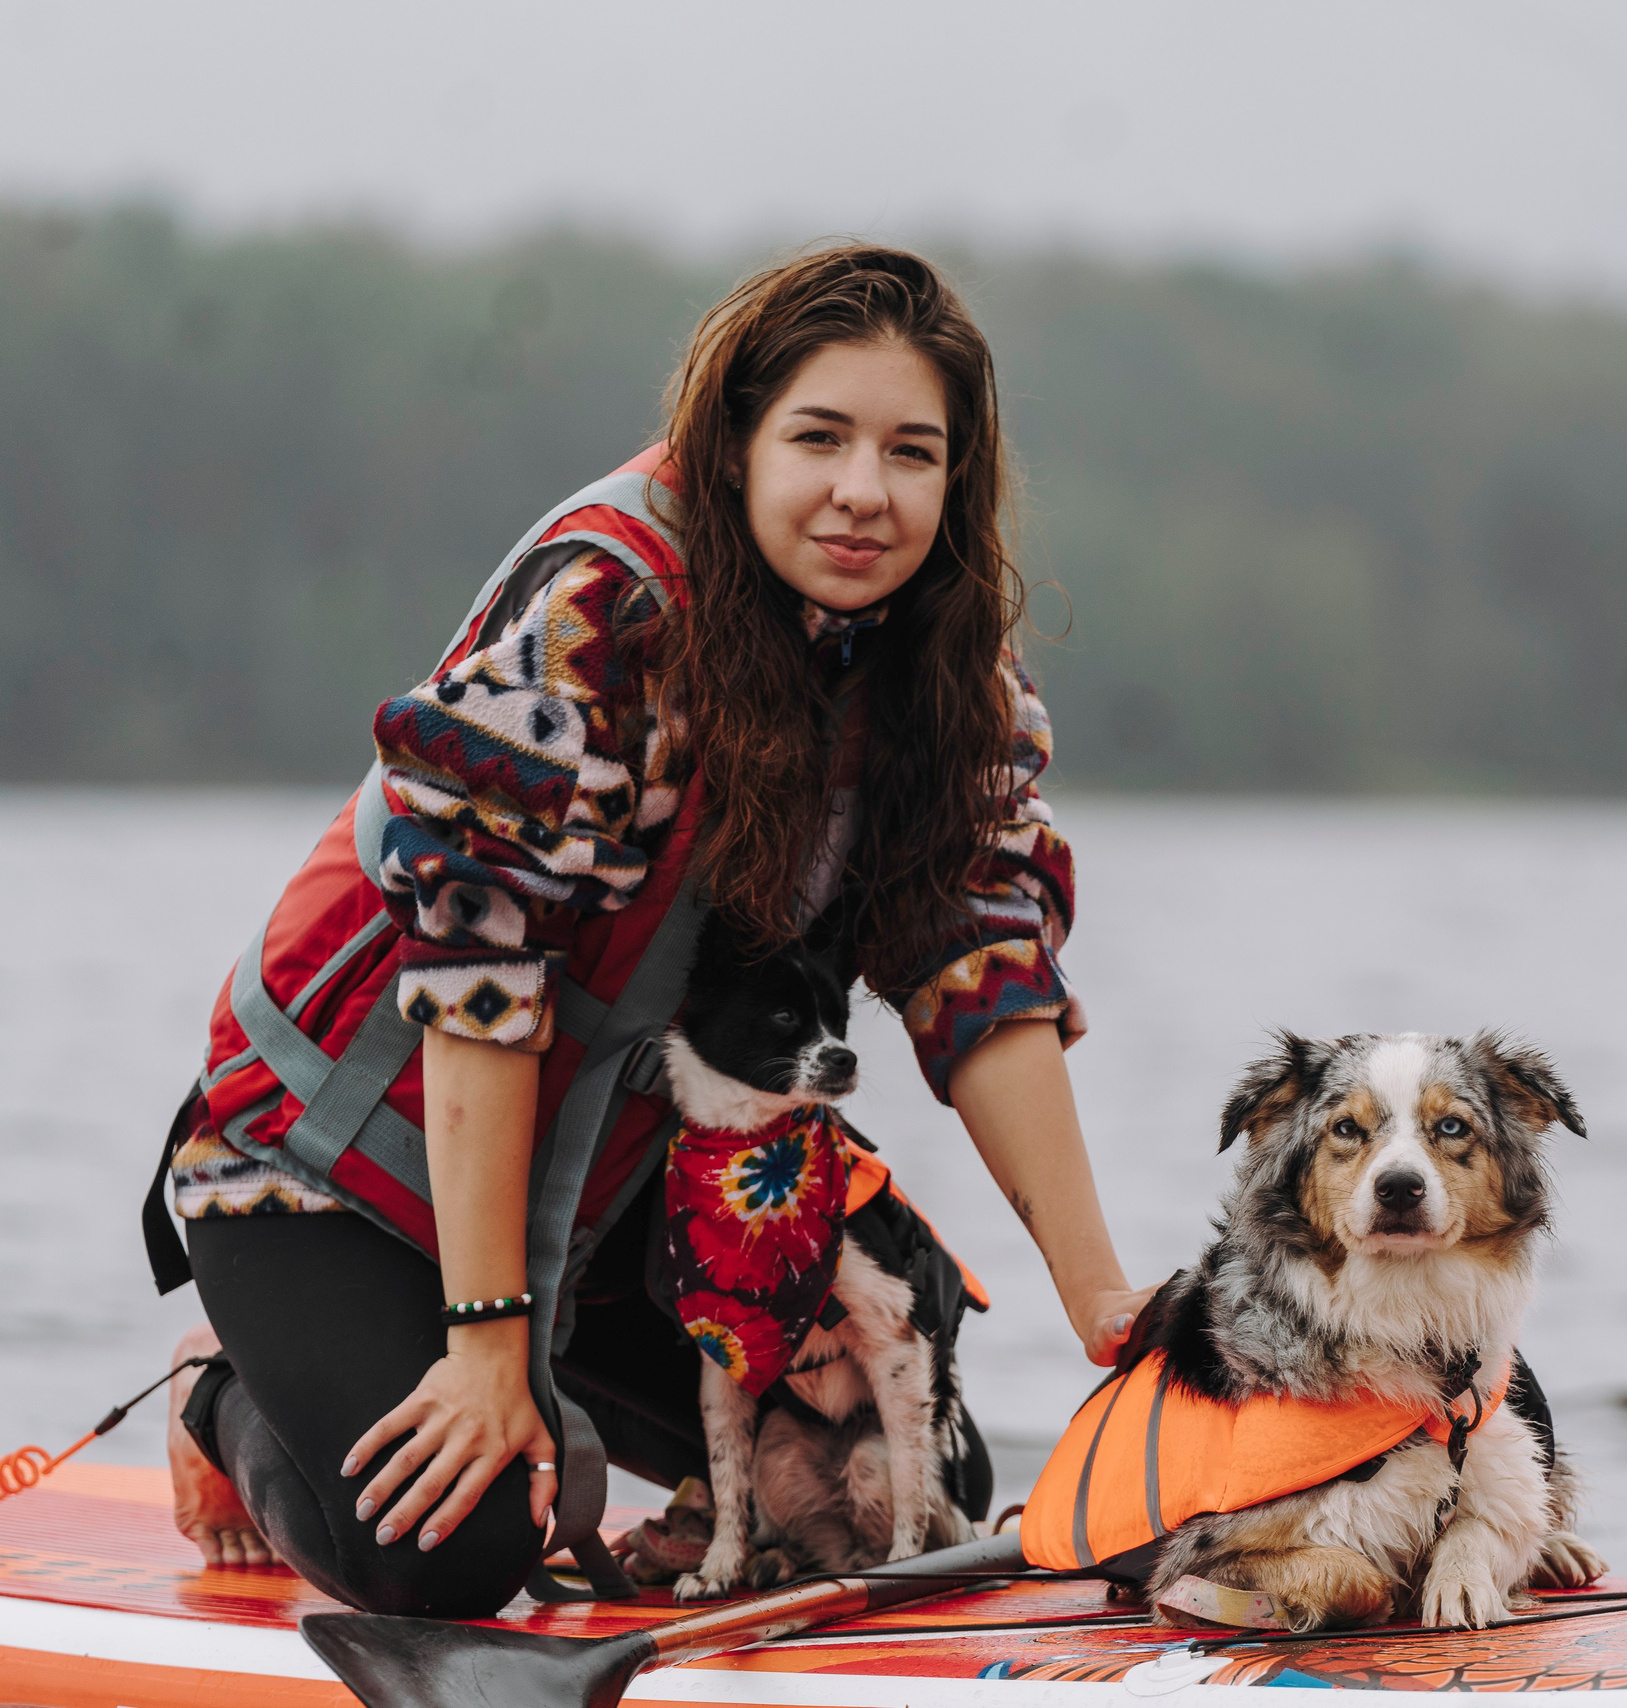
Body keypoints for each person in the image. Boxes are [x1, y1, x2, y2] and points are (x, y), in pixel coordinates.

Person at [155, 245, 1152, 1617]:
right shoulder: (597, 611)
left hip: (633, 1173)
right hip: (345, 1168)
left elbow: (977, 971)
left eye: (913, 453)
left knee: (903, 1478)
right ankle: (228, 1394)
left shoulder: (948, 669)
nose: (866, 492)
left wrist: (1109, 1311)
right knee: (454, 1548)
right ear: (732, 442)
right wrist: (490, 1344)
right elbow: (478, 985)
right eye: (820, 438)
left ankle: (577, 1420)